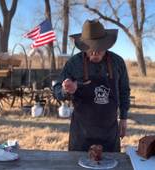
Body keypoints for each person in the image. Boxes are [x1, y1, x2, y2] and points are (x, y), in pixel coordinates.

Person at [53, 19, 130, 152]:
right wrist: (66, 90)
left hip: (109, 132)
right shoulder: (73, 63)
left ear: (106, 44)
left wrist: (123, 117)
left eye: (99, 47)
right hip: (81, 132)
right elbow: (56, 91)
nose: (95, 52)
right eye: (90, 47)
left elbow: (124, 91)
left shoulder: (118, 62)